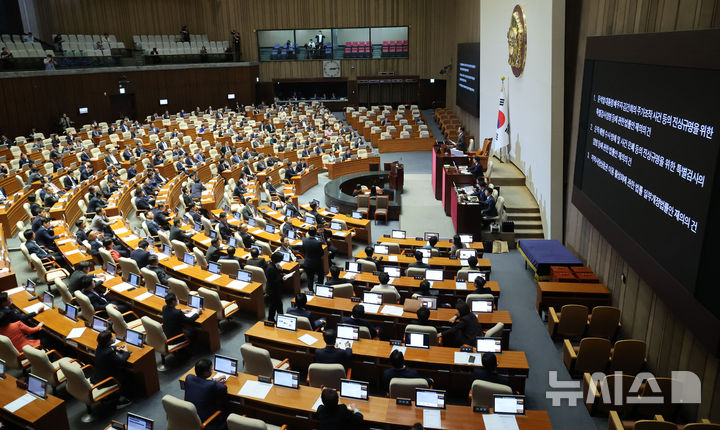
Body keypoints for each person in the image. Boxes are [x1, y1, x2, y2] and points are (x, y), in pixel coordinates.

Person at [184, 359, 228, 430]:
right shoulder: (211, 385)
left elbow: (202, 382)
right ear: (205, 372)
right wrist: (215, 382)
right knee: (225, 406)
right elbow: (223, 388)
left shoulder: (189, 377)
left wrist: (214, 380)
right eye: (211, 369)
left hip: (190, 416)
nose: (212, 370)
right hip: (206, 422)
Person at [92, 330, 133, 406]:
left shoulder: (99, 347)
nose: (114, 337)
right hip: (107, 380)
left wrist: (116, 348)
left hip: (98, 376)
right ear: (108, 341)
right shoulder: (108, 353)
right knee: (126, 373)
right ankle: (120, 400)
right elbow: (121, 361)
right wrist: (126, 352)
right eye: (112, 337)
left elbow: (110, 348)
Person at [264, 252, 284, 322]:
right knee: (273, 306)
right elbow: (274, 280)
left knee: (278, 305)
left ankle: (279, 318)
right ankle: (271, 319)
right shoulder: (271, 268)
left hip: (274, 289)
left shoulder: (272, 265)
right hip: (273, 290)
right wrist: (283, 278)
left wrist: (280, 270)